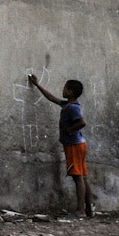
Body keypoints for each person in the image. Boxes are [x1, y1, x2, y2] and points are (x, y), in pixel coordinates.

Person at [28, 74, 93, 217]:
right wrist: (37, 85)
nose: (62, 89)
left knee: (78, 177)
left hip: (74, 145)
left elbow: (82, 122)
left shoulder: (72, 108)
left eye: (65, 88)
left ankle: (81, 210)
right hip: (78, 145)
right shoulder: (67, 105)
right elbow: (51, 98)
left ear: (70, 92)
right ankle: (88, 209)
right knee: (83, 177)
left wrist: (69, 130)